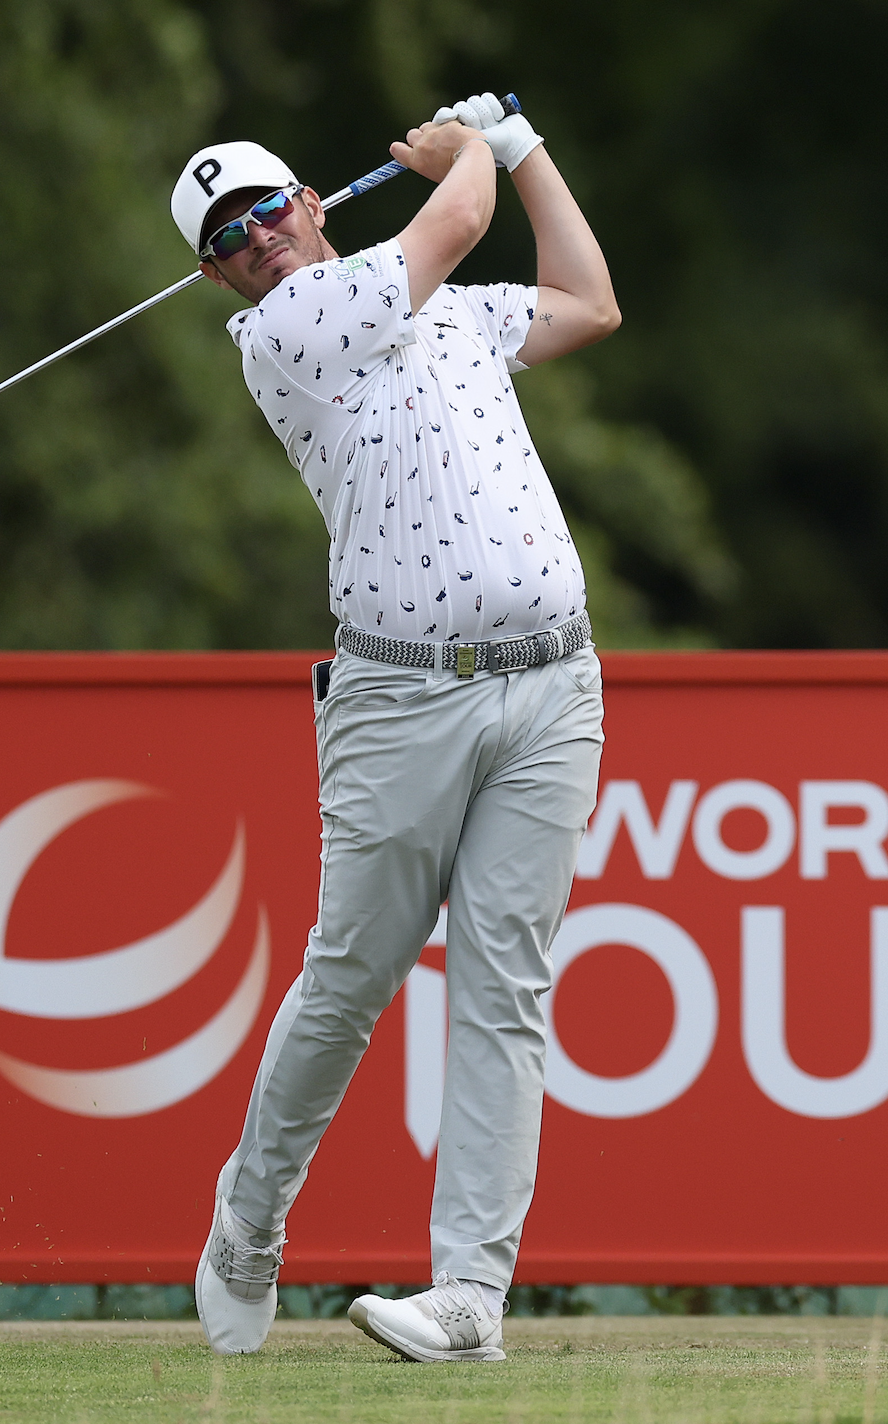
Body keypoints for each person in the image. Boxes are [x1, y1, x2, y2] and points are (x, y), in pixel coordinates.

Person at [168, 93, 618, 1361]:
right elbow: (459, 214)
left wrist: (529, 150)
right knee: (351, 978)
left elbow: (587, 302)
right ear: (215, 277)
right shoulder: (288, 328)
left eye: (264, 206)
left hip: (552, 685)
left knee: (503, 989)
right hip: (401, 697)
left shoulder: (447, 314)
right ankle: (247, 1222)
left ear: (309, 197)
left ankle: (470, 1296)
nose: (254, 237)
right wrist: (467, 153)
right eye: (224, 236)